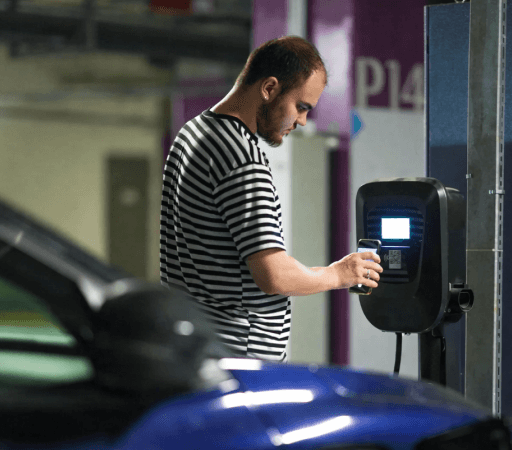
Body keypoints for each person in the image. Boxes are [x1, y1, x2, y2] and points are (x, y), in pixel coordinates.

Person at [160, 36, 383, 361]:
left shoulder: (191, 134)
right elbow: (274, 276)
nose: (302, 121)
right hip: (238, 356)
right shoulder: (242, 159)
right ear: (269, 88)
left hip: (194, 346)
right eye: (301, 107)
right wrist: (339, 274)